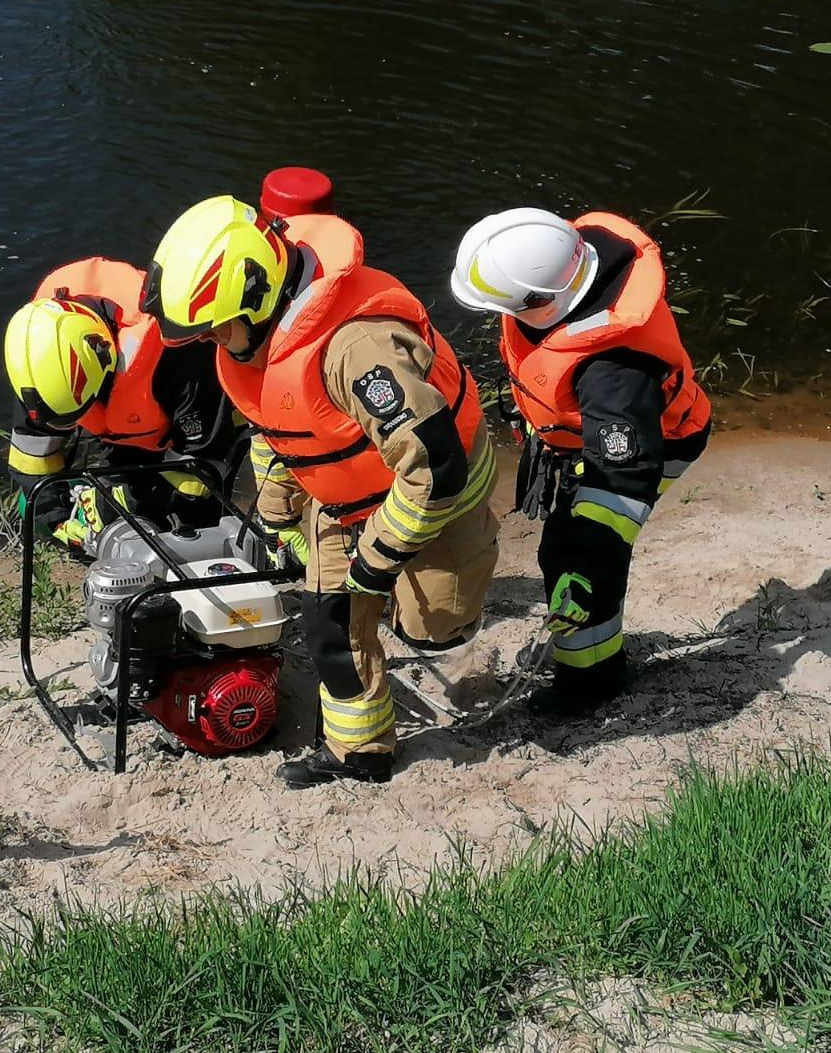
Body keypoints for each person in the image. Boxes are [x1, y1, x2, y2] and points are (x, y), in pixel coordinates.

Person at [141, 196, 500, 788]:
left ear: (256, 301)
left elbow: (434, 467)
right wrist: (278, 509)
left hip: (433, 499)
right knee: (330, 621)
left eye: (216, 328)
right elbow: (279, 425)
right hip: (345, 500)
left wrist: (380, 557)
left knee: (433, 631)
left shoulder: (358, 350)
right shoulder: (259, 345)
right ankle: (358, 753)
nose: (212, 342)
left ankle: (443, 594)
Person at [448, 208, 711, 718]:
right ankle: (589, 650)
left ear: (544, 302)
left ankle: (591, 677)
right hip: (597, 437)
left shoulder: (613, 371)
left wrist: (587, 560)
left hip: (646, 446)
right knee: (570, 546)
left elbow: (624, 479)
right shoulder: (566, 262)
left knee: (578, 555)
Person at [3, 256, 240, 546]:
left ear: (104, 359)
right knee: (37, 509)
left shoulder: (175, 350)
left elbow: (198, 465)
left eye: (76, 414)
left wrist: (121, 501)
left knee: (197, 521)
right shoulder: (42, 353)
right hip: (128, 429)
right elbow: (31, 454)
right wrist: (56, 515)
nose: (74, 424)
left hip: (193, 435)